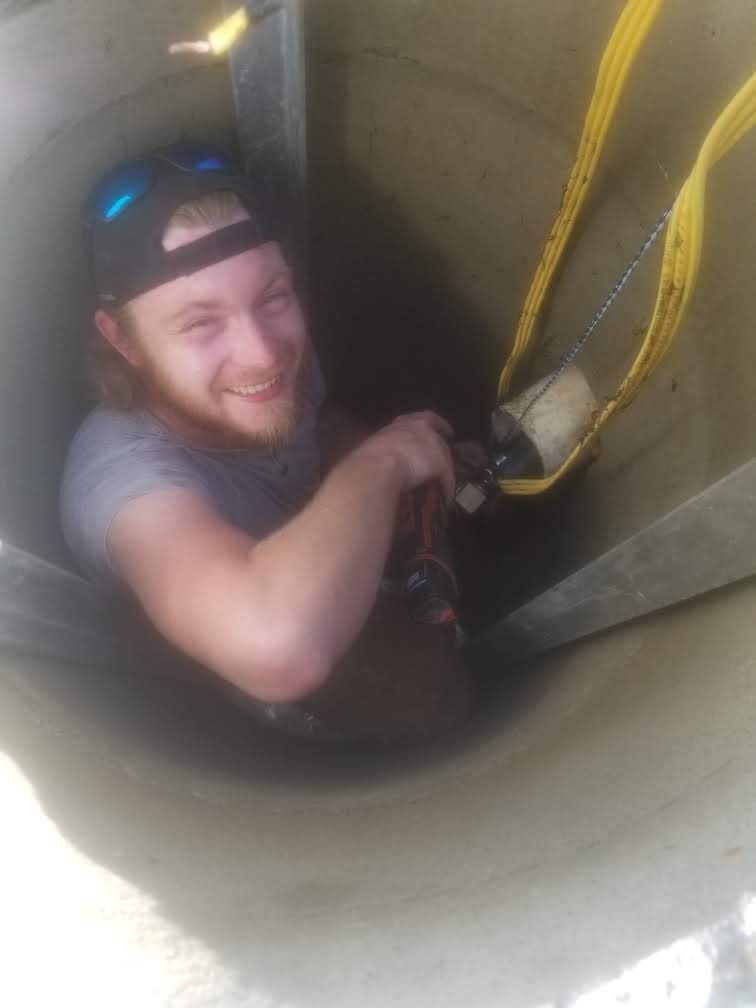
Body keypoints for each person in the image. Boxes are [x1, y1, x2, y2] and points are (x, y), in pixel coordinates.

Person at [61, 140, 477, 742]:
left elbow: (320, 421)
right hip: (236, 669)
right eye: (200, 323)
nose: (262, 355)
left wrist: (400, 478)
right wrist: (382, 463)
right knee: (431, 698)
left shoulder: (274, 366)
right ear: (123, 341)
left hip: (303, 558)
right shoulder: (122, 479)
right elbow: (276, 642)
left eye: (273, 297)